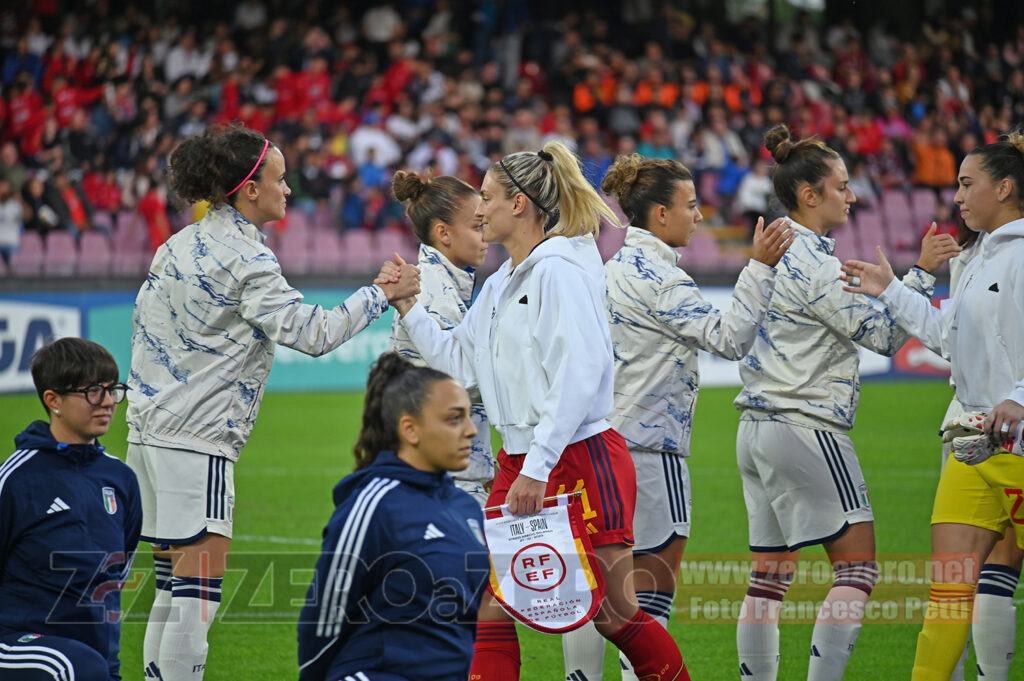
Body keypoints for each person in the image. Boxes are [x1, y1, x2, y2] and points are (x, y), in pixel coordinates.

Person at [126, 125, 420, 681]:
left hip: (147, 431)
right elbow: (314, 333)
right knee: (197, 596)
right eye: (280, 180)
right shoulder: (247, 260)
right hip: (197, 438)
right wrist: (382, 293)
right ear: (249, 190)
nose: (289, 190)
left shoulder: (178, 242)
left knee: (169, 588)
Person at [391, 141, 690, 681]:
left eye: (486, 197)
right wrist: (409, 308)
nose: (478, 209)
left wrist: (537, 466)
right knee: (491, 603)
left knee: (612, 613)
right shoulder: (503, 282)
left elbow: (579, 376)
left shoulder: (560, 271)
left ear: (520, 204)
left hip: (578, 457)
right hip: (524, 460)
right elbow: (460, 363)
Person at [732, 124, 960, 681]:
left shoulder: (774, 251)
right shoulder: (811, 260)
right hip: (805, 425)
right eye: (842, 185)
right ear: (810, 195)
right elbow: (882, 336)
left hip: (755, 426)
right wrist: (920, 276)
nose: (853, 195)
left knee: (768, 578)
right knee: (857, 569)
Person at [561, 153, 793, 680]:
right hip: (649, 452)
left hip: (599, 449)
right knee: (645, 605)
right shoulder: (660, 278)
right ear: (660, 215)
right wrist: (758, 267)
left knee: (599, 593)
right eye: (691, 206)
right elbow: (729, 338)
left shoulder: (611, 268)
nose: (700, 216)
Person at [841, 131, 1024, 681]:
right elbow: (947, 336)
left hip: (1018, 446)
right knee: (946, 594)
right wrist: (890, 290)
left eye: (968, 184)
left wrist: (1020, 397)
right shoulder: (974, 257)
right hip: (973, 444)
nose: (958, 197)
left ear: (1007, 186)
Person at [297, 352, 489, 681]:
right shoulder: (375, 504)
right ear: (410, 430)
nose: (471, 430)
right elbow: (323, 620)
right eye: (454, 418)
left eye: (469, 417)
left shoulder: (466, 508)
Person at [0, 337, 141, 681]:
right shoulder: (18, 479)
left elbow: (113, 582)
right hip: (15, 641)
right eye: (93, 391)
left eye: (112, 389)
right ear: (53, 400)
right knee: (73, 668)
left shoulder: (121, 479)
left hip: (93, 658)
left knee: (88, 668)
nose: (107, 402)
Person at [389, 170, 495, 505]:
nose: (486, 236)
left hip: (446, 473)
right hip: (444, 479)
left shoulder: (446, 284)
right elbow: (459, 380)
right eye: (477, 226)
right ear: (443, 233)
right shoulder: (434, 290)